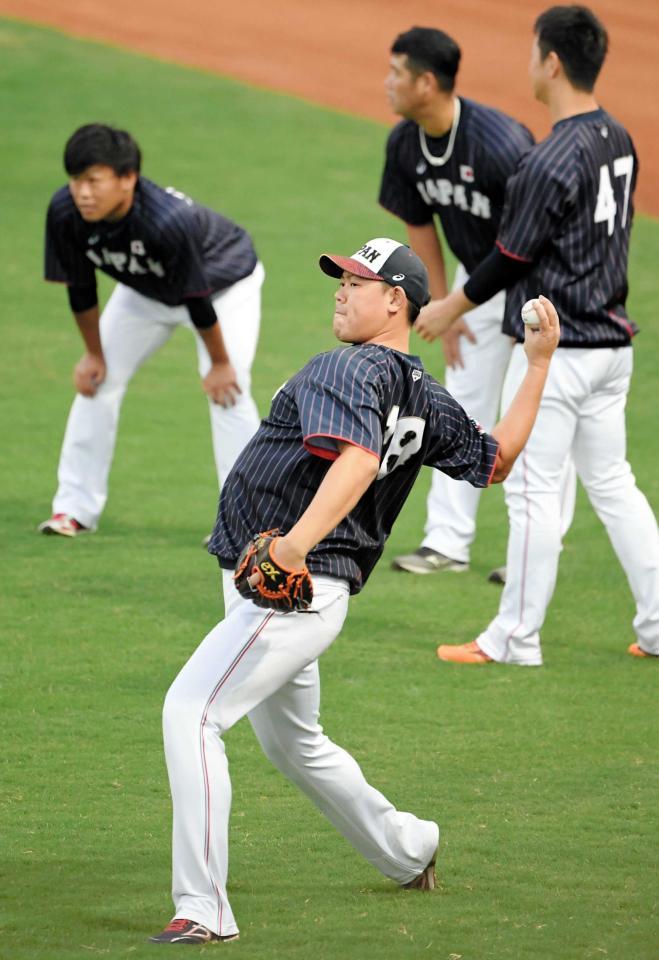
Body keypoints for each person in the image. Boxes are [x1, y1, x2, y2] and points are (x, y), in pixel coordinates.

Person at [150, 237, 560, 944]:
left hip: (287, 594)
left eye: (355, 282)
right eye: (340, 279)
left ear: (394, 300)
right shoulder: (423, 393)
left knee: (190, 713)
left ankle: (205, 909)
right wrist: (537, 366)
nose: (340, 291)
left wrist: (293, 544)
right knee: (294, 744)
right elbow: (496, 461)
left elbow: (358, 458)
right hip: (304, 596)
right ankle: (408, 847)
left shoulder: (351, 366)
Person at [412, 6, 659, 663]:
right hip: (612, 346)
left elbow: (509, 258)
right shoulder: (617, 137)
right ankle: (658, 625)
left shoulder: (549, 159)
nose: (526, 64)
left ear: (551, 62)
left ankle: (514, 638)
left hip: (561, 350)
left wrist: (448, 307)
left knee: (528, 491)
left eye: (531, 53)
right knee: (611, 482)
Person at [379, 26, 577, 583]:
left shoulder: (498, 144)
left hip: (539, 277)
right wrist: (441, 306)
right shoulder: (404, 143)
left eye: (397, 72)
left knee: (536, 406)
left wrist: (458, 305)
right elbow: (419, 224)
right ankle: (446, 541)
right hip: (477, 282)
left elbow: (534, 238)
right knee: (458, 398)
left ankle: (539, 548)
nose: (387, 83)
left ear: (426, 82)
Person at [39, 123, 263, 537]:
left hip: (223, 288)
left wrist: (218, 364)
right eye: (75, 180)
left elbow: (197, 298)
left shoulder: (167, 220)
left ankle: (246, 519)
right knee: (97, 382)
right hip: (146, 289)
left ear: (127, 179)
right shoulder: (66, 212)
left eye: (93, 181)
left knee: (230, 391)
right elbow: (81, 287)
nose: (82, 192)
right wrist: (95, 354)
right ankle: (73, 508)